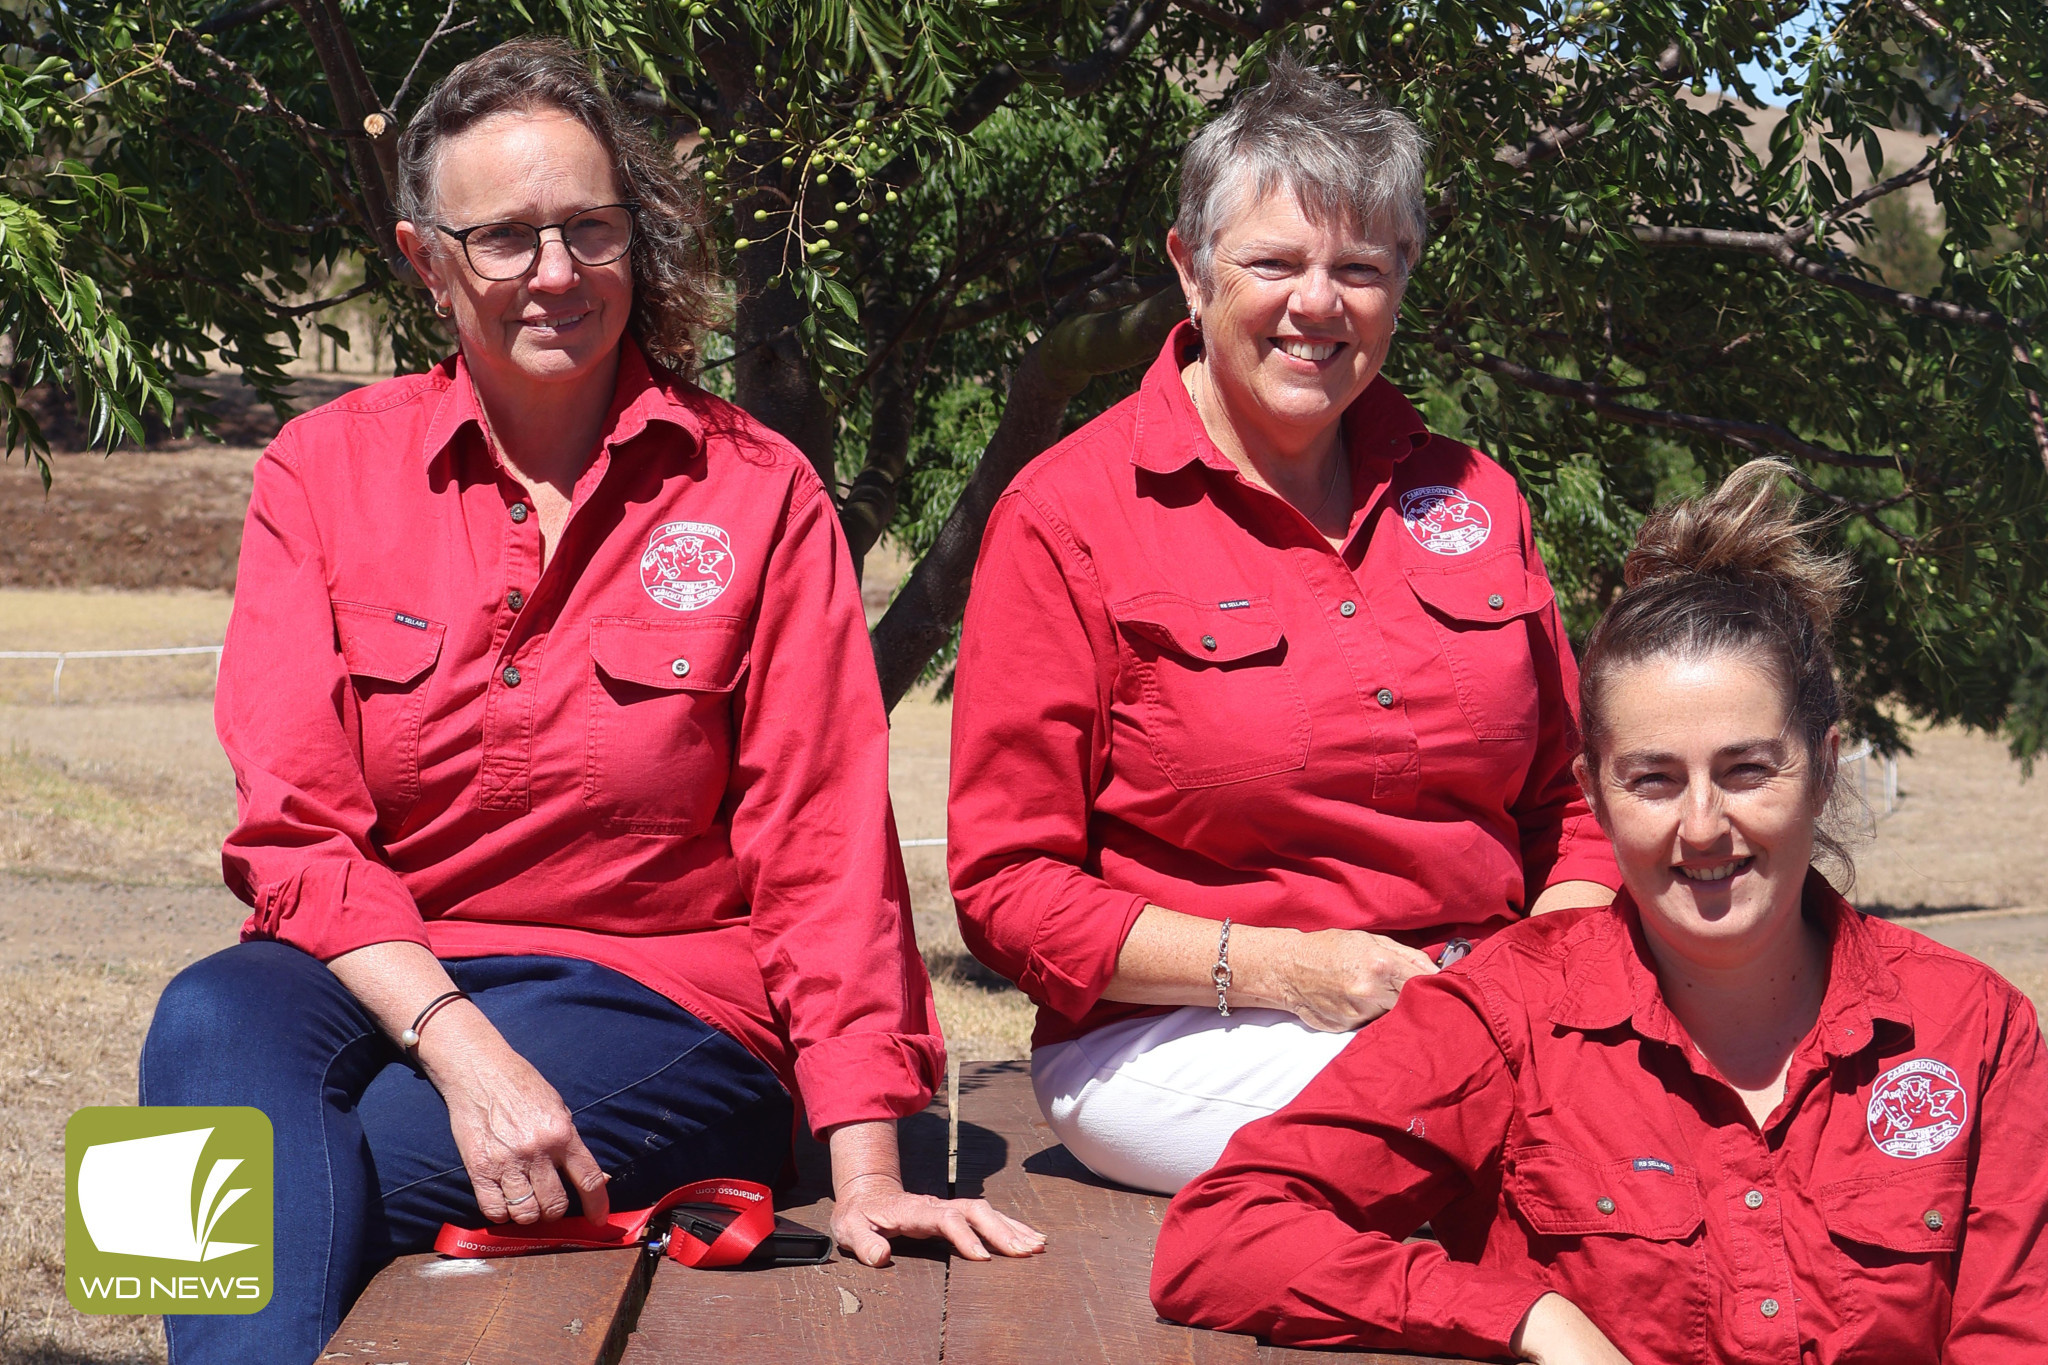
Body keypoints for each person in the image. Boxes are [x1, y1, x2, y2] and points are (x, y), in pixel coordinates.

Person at [139, 39, 1039, 1364]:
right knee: (205, 1023)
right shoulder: (321, 472)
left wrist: (865, 1164)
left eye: (588, 229)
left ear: (636, 238)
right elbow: (295, 827)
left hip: (661, 999)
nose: (555, 274)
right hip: (386, 971)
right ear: (425, 258)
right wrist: (462, 1047)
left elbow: (825, 845)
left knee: (235, 1182)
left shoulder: (756, 491)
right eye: (506, 237)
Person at [1152, 460, 2048, 1363]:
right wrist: (1532, 1317)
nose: (1703, 826)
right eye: (1654, 779)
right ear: (1594, 792)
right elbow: (1223, 1235)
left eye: (1746, 770)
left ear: (1822, 767)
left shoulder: (1974, 1031)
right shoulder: (1505, 1017)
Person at [947, 56, 1618, 1197]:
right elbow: (1008, 886)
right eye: (1273, 262)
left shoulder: (1476, 499)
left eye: (1359, 267)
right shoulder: (1065, 516)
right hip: (1187, 1036)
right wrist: (1282, 969)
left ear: (1402, 280)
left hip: (1495, 1006)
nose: (1318, 303)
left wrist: (1545, 973)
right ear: (1189, 268)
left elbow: (1576, 806)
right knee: (1539, 1146)